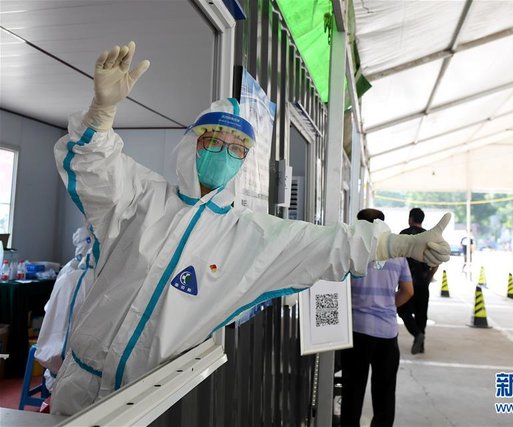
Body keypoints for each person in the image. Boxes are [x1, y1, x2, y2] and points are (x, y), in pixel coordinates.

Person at [50, 42, 451, 415]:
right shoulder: (141, 196)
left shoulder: (248, 236)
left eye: (238, 146)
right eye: (215, 138)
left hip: (153, 401)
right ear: (192, 142)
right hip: (78, 385)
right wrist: (100, 115)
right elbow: (94, 167)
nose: (225, 151)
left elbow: (327, 244)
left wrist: (400, 244)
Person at [340, 209, 413, 427]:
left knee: (353, 390)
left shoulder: (351, 250)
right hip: (387, 333)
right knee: (384, 393)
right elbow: (408, 291)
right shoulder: (396, 252)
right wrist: (389, 305)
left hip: (356, 331)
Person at [35, 225, 95, 393]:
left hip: (63, 356)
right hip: (64, 359)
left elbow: (49, 308)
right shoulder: (74, 274)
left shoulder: (72, 272)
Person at [397, 208, 438, 354]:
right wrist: (429, 276)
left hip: (405, 281)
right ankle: (420, 344)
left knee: (402, 310)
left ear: (411, 218)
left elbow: (397, 257)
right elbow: (436, 261)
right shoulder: (430, 237)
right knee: (422, 314)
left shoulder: (403, 234)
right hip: (423, 281)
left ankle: (416, 334)